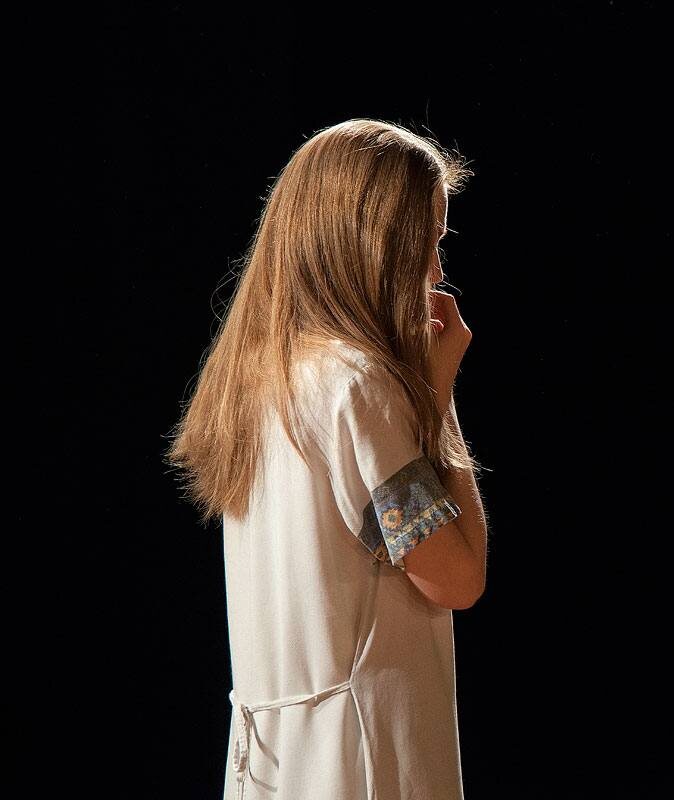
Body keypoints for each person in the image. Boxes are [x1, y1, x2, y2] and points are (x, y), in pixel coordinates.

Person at [164, 118, 489, 800]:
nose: (436, 272)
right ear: (376, 240)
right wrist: (438, 398)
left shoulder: (252, 382)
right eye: (428, 242)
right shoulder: (357, 388)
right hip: (361, 760)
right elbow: (455, 576)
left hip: (273, 768)